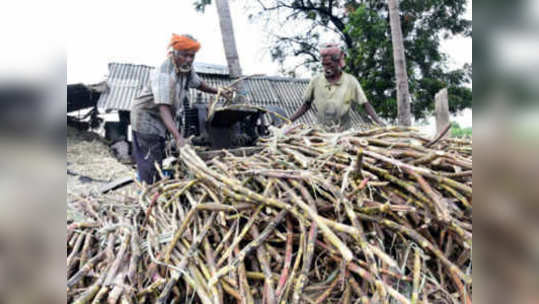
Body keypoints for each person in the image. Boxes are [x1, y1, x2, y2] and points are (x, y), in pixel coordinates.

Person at [130, 33, 230, 184]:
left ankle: (157, 186)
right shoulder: (163, 74)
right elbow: (163, 108)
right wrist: (178, 137)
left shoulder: (186, 69)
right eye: (185, 55)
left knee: (159, 156)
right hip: (146, 118)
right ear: (174, 53)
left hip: (161, 120)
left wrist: (219, 91)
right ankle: (149, 190)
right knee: (149, 159)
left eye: (192, 56)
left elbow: (199, 84)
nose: (189, 59)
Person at [289, 43, 385, 130]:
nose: (326, 68)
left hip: (344, 132)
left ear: (338, 63)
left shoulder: (350, 81)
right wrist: (288, 121)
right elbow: (305, 106)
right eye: (324, 65)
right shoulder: (316, 81)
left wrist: (378, 121)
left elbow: (365, 104)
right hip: (321, 132)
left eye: (329, 64)